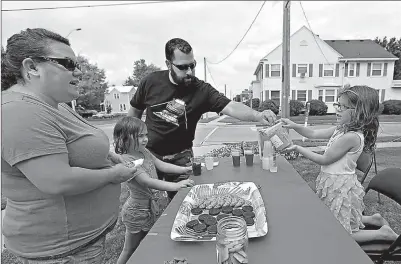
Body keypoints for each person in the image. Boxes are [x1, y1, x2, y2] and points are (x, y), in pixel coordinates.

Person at [1, 28, 137, 264]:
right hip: (59, 242)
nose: (78, 72)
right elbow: (57, 181)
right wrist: (115, 175)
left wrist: (109, 157)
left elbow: (76, 148)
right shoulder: (19, 110)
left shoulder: (53, 105)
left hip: (77, 237)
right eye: (68, 64)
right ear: (32, 67)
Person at [128, 38, 277, 199]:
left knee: (183, 202)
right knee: (148, 202)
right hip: (150, 154)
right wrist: (130, 144)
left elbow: (231, 106)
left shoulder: (202, 90)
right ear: (168, 64)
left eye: (192, 65)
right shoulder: (150, 82)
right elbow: (133, 114)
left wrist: (258, 115)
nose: (190, 71)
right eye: (183, 67)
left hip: (181, 158)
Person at [280, 85, 399, 243]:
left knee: (341, 232)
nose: (338, 109)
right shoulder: (341, 129)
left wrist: (298, 148)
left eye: (344, 107)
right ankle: (373, 220)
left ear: (360, 111)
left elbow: (324, 159)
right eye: (338, 104)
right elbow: (314, 133)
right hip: (333, 181)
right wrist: (294, 126)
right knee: (339, 215)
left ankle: (383, 234)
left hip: (340, 185)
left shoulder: (351, 137)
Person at [113, 117, 194, 264]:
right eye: (140, 136)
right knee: (129, 249)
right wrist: (176, 185)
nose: (145, 139)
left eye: (146, 135)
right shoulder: (127, 160)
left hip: (151, 208)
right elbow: (147, 181)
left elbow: (161, 165)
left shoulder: (143, 151)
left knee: (147, 243)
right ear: (124, 138)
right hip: (136, 211)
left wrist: (184, 169)